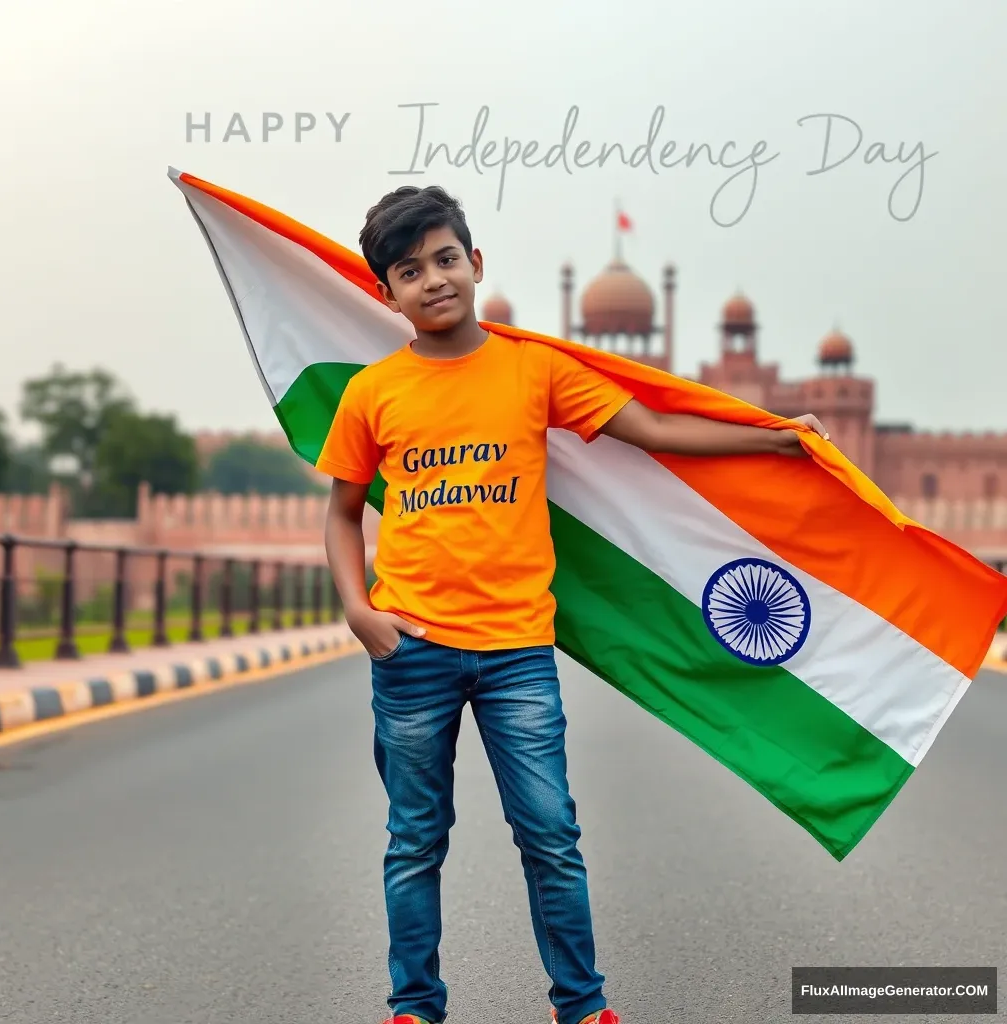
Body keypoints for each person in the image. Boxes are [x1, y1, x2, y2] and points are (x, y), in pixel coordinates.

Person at [320, 184, 827, 1024]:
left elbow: (656, 431)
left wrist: (775, 435)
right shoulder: (374, 392)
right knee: (414, 843)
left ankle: (582, 1007)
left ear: (475, 264)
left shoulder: (535, 371)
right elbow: (341, 513)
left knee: (551, 837)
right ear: (386, 292)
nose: (434, 280)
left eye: (446, 260)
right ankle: (414, 1006)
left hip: (517, 648)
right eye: (410, 271)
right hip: (411, 648)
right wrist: (359, 611)